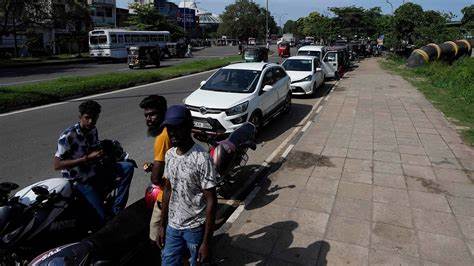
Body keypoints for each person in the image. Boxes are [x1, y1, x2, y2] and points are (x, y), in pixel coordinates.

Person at [53, 100, 134, 221]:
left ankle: (116, 211)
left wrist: (103, 153)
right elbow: (57, 165)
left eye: (94, 118)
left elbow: (95, 148)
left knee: (128, 167)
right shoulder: (68, 136)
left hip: (95, 170)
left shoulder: (93, 130)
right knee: (102, 218)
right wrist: (86, 158)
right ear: (80, 117)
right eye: (87, 118)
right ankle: (106, 220)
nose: (90, 121)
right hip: (79, 180)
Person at [158, 105, 217, 266]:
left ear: (188, 127)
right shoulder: (170, 155)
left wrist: (206, 242)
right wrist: (162, 225)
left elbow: (211, 201)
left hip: (195, 228)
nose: (173, 133)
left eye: (177, 128)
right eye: (169, 129)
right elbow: (168, 190)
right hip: (173, 227)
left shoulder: (202, 158)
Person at [139, 95, 171, 243]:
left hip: (167, 196)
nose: (148, 119)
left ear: (163, 112)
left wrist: (154, 172)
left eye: (152, 114)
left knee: (156, 236)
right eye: (146, 115)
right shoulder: (172, 129)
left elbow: (156, 179)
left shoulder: (162, 137)